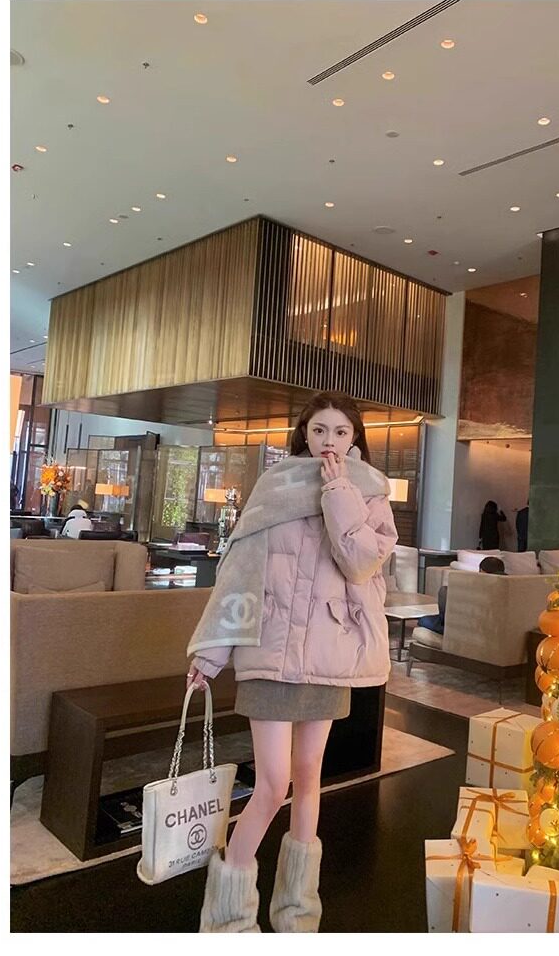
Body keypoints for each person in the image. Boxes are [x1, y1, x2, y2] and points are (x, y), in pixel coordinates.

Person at [186, 390, 398, 933]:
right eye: (320, 430)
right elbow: (239, 574)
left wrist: (338, 490)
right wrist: (211, 652)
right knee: (272, 782)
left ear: (355, 438)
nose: (330, 441)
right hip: (271, 651)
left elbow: (361, 564)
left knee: (308, 778)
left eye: (341, 432)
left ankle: (297, 913)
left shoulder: (370, 491)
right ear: (304, 432)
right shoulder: (273, 485)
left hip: (328, 655)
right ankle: (228, 918)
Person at [417, 557, 506, 636]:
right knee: (429, 619)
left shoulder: (480, 584)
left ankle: (446, 627)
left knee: (424, 619)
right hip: (497, 629)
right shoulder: (511, 585)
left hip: (466, 628)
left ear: (482, 570)